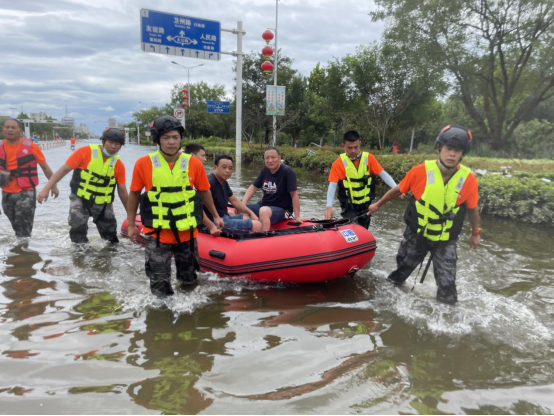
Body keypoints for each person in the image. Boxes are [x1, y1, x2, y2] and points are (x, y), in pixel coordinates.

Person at [368, 125, 482, 304]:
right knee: (400, 274)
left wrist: (475, 232)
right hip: (417, 234)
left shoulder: (468, 179)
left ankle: (446, 322)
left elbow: (472, 208)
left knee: (447, 287)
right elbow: (399, 190)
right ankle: (385, 304)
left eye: (457, 151)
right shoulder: (419, 171)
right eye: (448, 149)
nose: (452, 154)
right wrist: (378, 204)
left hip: (445, 239)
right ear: (439, 149)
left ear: (462, 153)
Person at [126, 115, 224, 297]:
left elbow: (205, 192)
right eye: (166, 137)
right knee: (159, 285)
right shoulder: (143, 164)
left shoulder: (193, 163)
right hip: (156, 234)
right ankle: (162, 320)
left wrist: (216, 217)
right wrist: (131, 224)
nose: (171, 142)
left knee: (189, 281)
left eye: (175, 137)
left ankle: (189, 320)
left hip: (186, 234)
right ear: (157, 140)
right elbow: (134, 194)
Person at [37, 128, 128, 244]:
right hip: (80, 198)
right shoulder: (85, 152)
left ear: (121, 146)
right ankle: (79, 258)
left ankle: (108, 258)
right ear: (103, 141)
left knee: (111, 237)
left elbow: (123, 191)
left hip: (103, 203)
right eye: (110, 142)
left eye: (117, 144)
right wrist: (46, 189)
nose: (113, 147)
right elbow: (63, 170)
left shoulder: (118, 165)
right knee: (77, 229)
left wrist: (131, 215)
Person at [325, 130, 397, 229]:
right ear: (343, 146)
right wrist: (329, 207)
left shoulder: (369, 158)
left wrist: (397, 188)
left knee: (363, 228)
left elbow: (383, 174)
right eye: (349, 148)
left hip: (365, 205)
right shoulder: (338, 164)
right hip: (348, 205)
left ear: (360, 144)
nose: (353, 150)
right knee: (352, 228)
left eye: (356, 147)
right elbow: (332, 186)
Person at [0, 119, 59, 237]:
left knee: (23, 229)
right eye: (7, 127)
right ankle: (21, 251)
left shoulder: (31, 147)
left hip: (25, 193)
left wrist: (53, 186)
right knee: (15, 225)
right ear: (3, 129)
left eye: (13, 127)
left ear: (21, 131)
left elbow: (45, 167)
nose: (9, 130)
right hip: (6, 193)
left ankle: (23, 252)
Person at [242, 147, 305, 232]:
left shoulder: (287, 172)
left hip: (283, 210)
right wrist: (243, 203)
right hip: (264, 204)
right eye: (267, 158)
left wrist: (297, 217)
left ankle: (263, 237)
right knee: (240, 209)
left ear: (279, 158)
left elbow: (294, 194)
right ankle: (249, 231)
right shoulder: (265, 170)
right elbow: (253, 187)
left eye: (273, 157)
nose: (270, 160)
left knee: (264, 211)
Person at [203, 155, 262, 236]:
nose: (227, 171)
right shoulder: (209, 183)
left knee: (249, 217)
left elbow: (234, 200)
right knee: (257, 225)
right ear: (215, 167)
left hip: (223, 217)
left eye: (230, 168)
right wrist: (210, 226)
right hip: (215, 222)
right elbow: (197, 208)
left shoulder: (223, 182)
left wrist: (251, 213)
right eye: (224, 167)